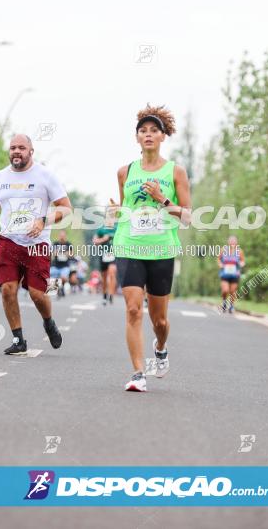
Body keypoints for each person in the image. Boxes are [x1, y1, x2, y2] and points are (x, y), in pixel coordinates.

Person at [110, 105, 191, 392]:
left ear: (162, 137)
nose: (148, 134)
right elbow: (125, 210)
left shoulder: (175, 172)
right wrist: (116, 213)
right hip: (129, 246)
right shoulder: (124, 172)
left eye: (153, 130)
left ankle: (160, 346)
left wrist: (162, 199)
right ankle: (137, 373)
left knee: (160, 320)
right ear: (137, 138)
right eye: (142, 131)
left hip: (161, 250)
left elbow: (188, 216)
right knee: (133, 309)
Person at [0, 134, 71, 355]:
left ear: (31, 151)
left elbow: (66, 208)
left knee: (37, 294)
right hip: (9, 241)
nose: (16, 151)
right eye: (12, 148)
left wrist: (44, 221)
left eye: (22, 147)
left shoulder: (45, 175)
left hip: (36, 244)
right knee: (7, 290)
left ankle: (48, 321)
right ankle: (18, 338)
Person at [93, 219, 117, 305]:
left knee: (112, 273)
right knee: (104, 277)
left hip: (114, 255)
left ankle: (111, 294)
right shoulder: (101, 229)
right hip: (103, 255)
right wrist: (104, 239)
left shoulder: (117, 228)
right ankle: (104, 295)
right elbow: (95, 241)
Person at [218, 235, 245, 313]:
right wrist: (220, 264)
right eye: (231, 241)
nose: (232, 242)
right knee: (225, 290)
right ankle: (224, 302)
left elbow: (243, 261)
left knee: (233, 291)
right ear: (228, 242)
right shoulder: (223, 250)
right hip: (225, 273)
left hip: (235, 274)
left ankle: (231, 306)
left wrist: (241, 264)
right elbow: (218, 259)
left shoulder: (239, 251)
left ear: (236, 242)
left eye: (234, 241)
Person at [50, 230, 74, 298]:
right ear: (59, 236)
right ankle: (57, 291)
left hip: (65, 266)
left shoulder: (69, 244)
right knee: (52, 281)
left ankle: (61, 287)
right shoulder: (55, 244)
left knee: (63, 278)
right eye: (61, 235)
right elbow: (52, 253)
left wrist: (67, 254)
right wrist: (55, 253)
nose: (62, 237)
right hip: (55, 265)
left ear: (65, 236)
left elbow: (72, 254)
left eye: (63, 236)